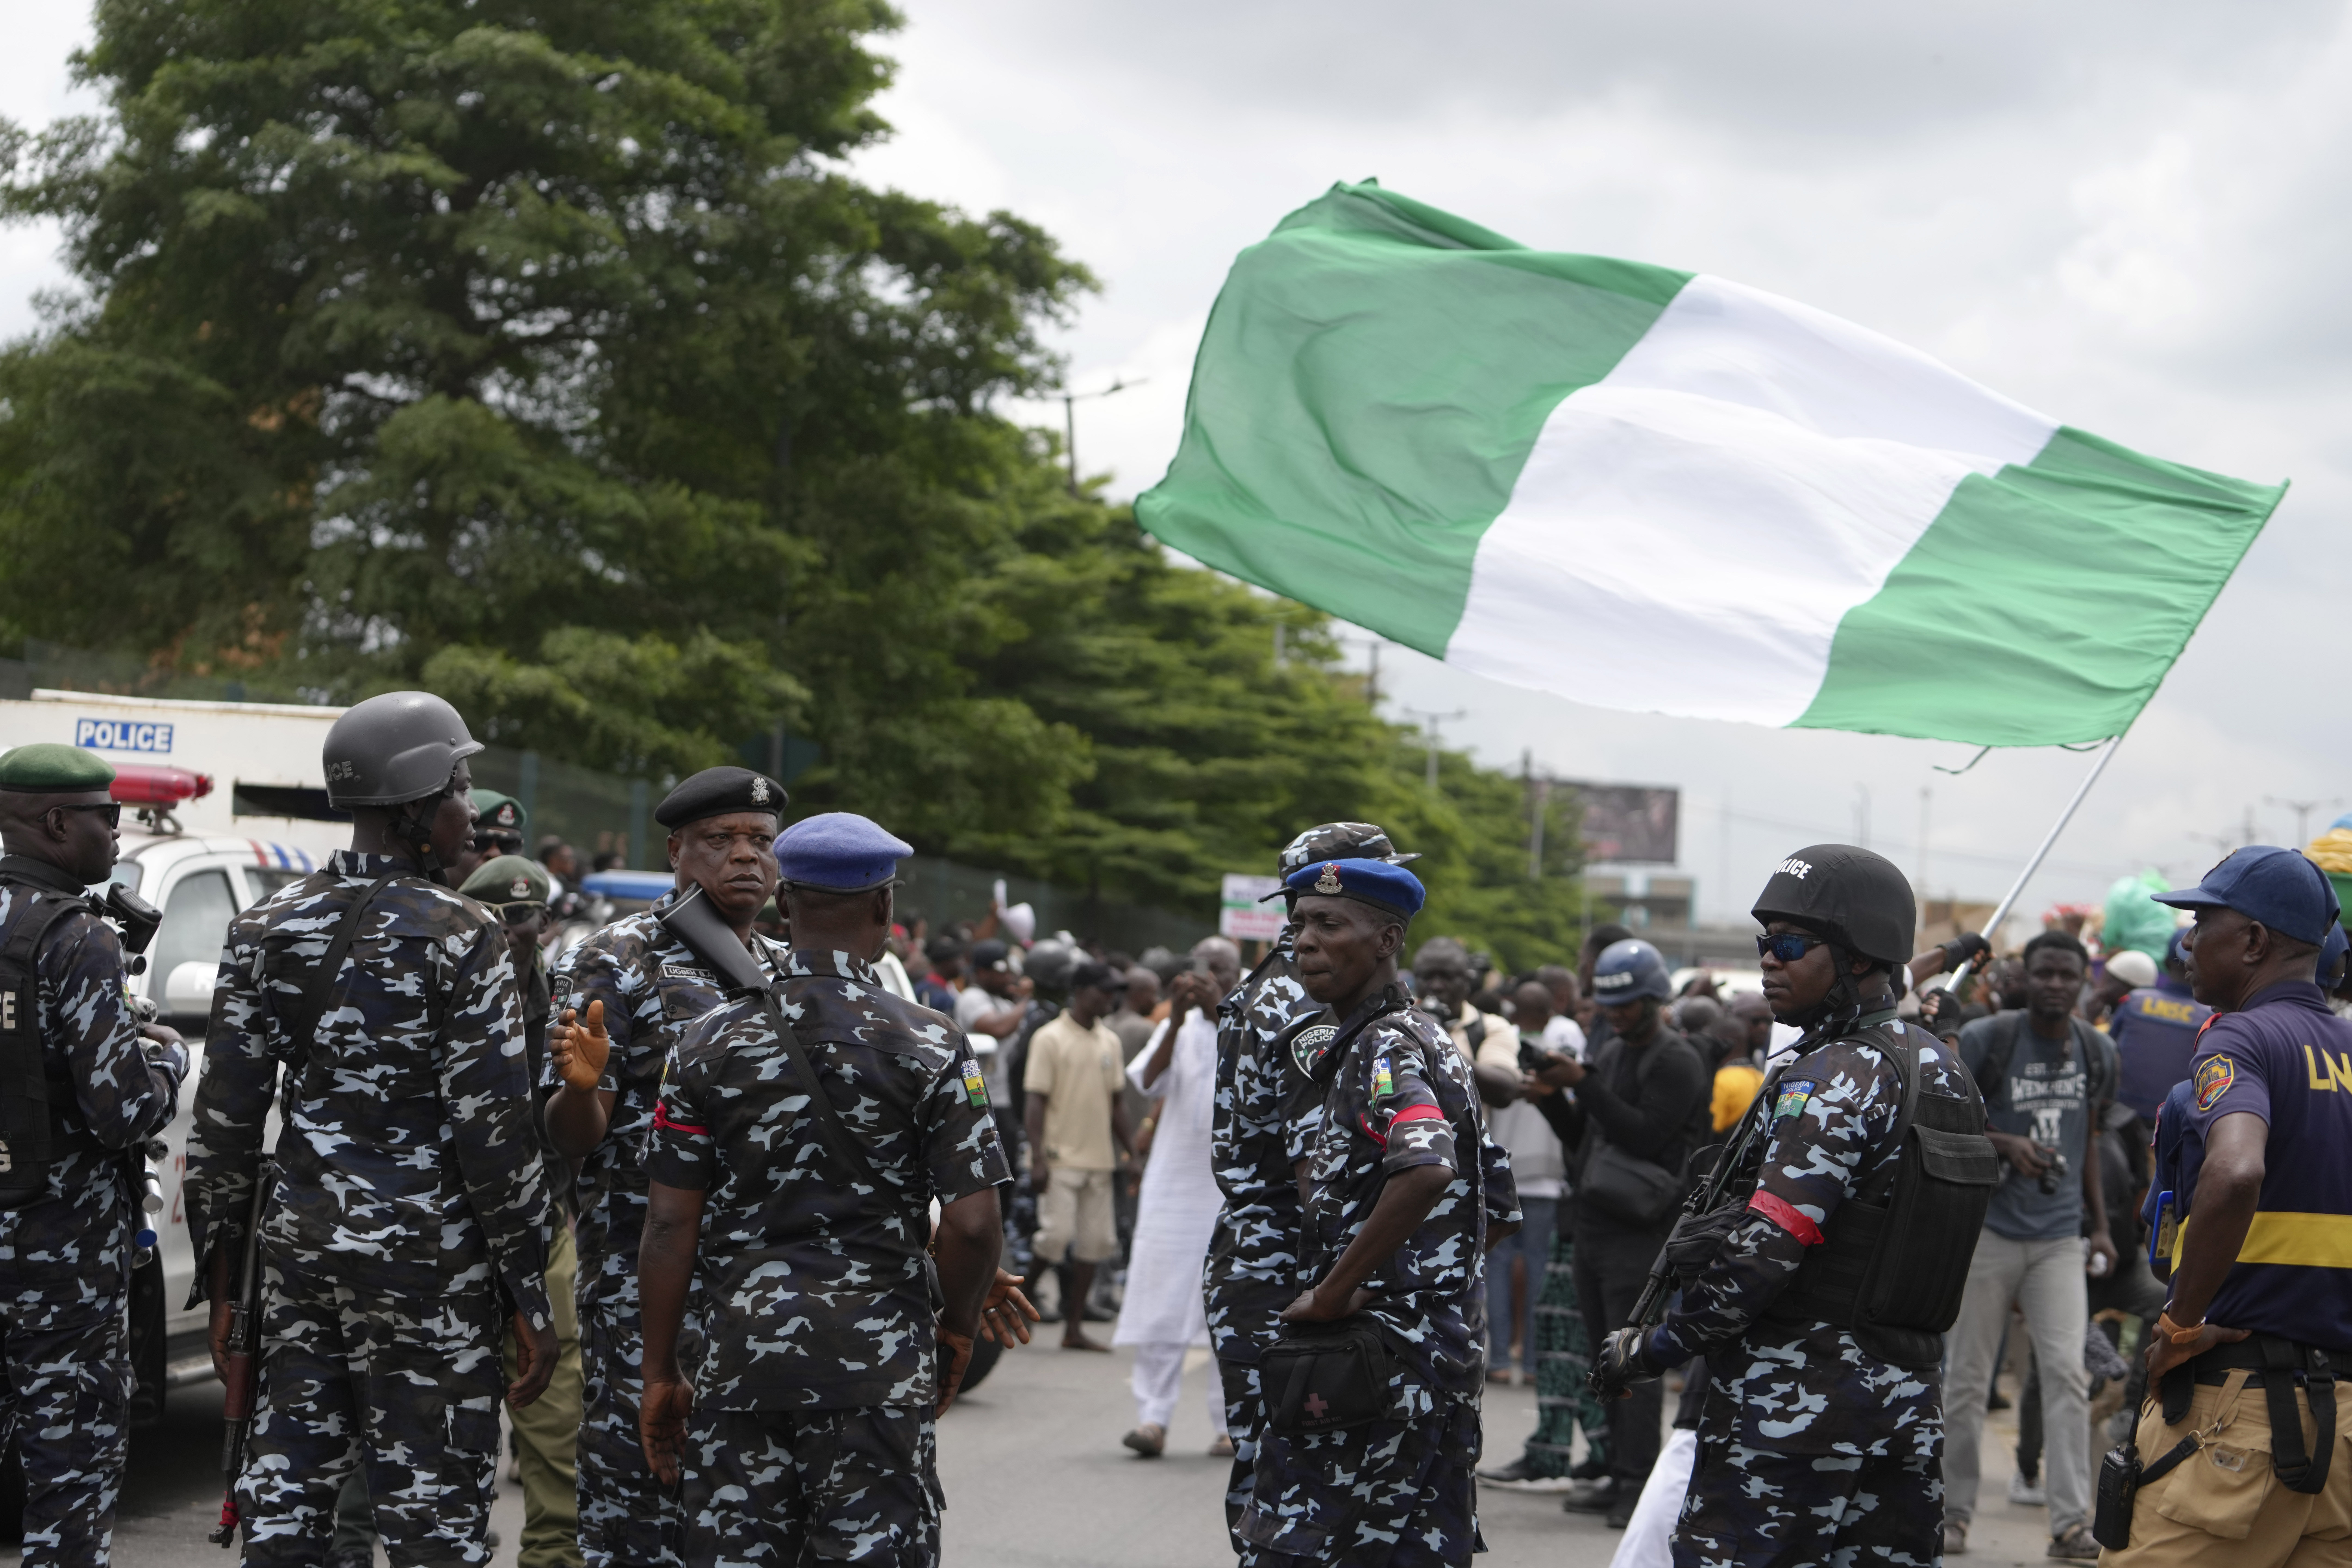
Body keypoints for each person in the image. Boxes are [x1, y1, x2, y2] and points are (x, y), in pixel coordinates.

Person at [186, 693, 555, 1566]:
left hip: (301, 1260)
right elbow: (495, 1136)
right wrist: (528, 1294)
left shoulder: (266, 927)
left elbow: (225, 1128)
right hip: (429, 1272)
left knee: (287, 1502)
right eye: (460, 784)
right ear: (416, 804)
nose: (471, 806)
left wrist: (226, 1279)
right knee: (431, 1520)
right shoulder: (466, 934)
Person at [1591, 843, 1990, 1566]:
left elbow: (1765, 1250)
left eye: (1791, 945)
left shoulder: (1831, 1077)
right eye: (1764, 944)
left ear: (1862, 958)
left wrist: (1651, 1349)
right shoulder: (1946, 1068)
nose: (1769, 961)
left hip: (1796, 1409)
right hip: (1904, 1401)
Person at [636, 812, 1011, 1567]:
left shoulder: (706, 1042)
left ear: (784, 906)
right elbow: (972, 1226)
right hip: (875, 1372)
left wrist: (659, 1373)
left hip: (740, 1363)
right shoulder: (930, 1041)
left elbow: (671, 1225)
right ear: (885, 909)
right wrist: (959, 1329)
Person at [1237, 856, 1517, 1565]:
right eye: (1299, 924)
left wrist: (1338, 1295)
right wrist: (1428, 1290)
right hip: (1426, 1364)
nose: (1305, 942)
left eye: (1331, 924)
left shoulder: (1385, 1045)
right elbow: (1498, 1208)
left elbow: (1425, 1169)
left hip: (1372, 1373)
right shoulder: (1427, 1041)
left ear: (1388, 940)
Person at [542, 765, 787, 1568]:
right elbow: (575, 1134)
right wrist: (580, 1090)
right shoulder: (617, 961)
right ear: (679, 851)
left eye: (761, 841)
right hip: (640, 1283)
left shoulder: (790, 970)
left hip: (764, 1286)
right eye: (722, 841)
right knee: (641, 1507)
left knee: (756, 1508)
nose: (745, 858)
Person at [2093, 847, 2352, 1563]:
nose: (2186, 941)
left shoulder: (2242, 1039)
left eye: (2203, 920)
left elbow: (2236, 1171)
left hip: (2238, 1425)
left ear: (2255, 942)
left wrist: (2178, 1325)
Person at [0, 744, 189, 1567]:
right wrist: (168, 1060)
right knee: (66, 1469)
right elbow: (123, 1114)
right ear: (54, 824)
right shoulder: (76, 941)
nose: (116, 834)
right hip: (55, 1254)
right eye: (104, 817)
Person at [1206, 821, 1416, 1546]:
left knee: (1280, 1479)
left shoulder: (1273, 985)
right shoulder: (1308, 1003)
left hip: (1263, 1261)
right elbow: (1315, 1170)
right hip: (1288, 1268)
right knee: (1295, 1498)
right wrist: (1338, 1289)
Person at [1938, 927, 2118, 1558]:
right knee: (1964, 1380)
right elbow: (1948, 1119)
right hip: (1987, 1231)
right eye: (2044, 972)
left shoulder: (2095, 1049)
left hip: (2058, 1239)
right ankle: (1952, 1512)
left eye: (2067, 975)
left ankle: (2070, 1522)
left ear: (2082, 981)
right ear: (2024, 976)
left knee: (2068, 1375)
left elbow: (2089, 1138)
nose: (2055, 984)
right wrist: (2004, 1143)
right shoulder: (1993, 1037)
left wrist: (2098, 1226)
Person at [1529, 937, 1711, 1528]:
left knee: (1632, 1360)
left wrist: (1584, 1083)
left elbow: (1642, 1137)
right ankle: (1614, 1471)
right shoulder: (1609, 1048)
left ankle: (1638, 1482)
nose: (1614, 1013)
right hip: (1596, 1223)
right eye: (1609, 1003)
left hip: (1643, 1231)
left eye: (1627, 1004)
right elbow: (1588, 1139)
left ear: (1656, 999)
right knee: (1598, 1356)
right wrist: (1552, 1097)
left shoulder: (1675, 1059)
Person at [460, 855, 585, 1568]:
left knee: (559, 1453)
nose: (517, 937)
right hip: (449, 1241)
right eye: (502, 923)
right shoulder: (426, 995)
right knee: (433, 1464)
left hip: (542, 1239)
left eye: (528, 923)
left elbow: (575, 1136)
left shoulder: (561, 1005)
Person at [1114, 965, 1230, 1457]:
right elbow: (1148, 1079)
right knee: (1160, 1298)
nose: (1206, 978)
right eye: (1199, 968)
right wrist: (1181, 1020)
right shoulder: (1171, 1024)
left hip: (1230, 1190)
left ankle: (1231, 1426)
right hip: (1173, 1185)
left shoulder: (1252, 1023)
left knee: (1231, 1307)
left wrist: (1217, 1014)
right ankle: (1153, 1420)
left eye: (1220, 970)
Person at [1022, 958, 1134, 1349]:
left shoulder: (1110, 1041)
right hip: (1060, 1157)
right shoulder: (1050, 1038)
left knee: (1095, 1244)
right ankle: (1019, 1301)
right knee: (1055, 1236)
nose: (1110, 999)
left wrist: (1131, 1152)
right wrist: (1037, 1157)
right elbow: (1035, 1101)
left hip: (1099, 1158)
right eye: (1104, 992)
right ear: (1081, 992)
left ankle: (1073, 1328)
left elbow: (1117, 1102)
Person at [1481, 981, 1565, 1384]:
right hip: (1547, 1181)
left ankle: (1498, 1362)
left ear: (1516, 1013)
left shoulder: (1501, 1044)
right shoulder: (1564, 1044)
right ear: (1549, 1012)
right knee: (1538, 1271)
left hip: (1503, 1176)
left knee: (1496, 1266)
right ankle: (1531, 1366)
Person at [2109, 928, 2215, 1122]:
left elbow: (2109, 1052)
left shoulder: (2134, 1001)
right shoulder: (2211, 1018)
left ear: (2166, 964)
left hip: (2125, 1119)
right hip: (2176, 1121)